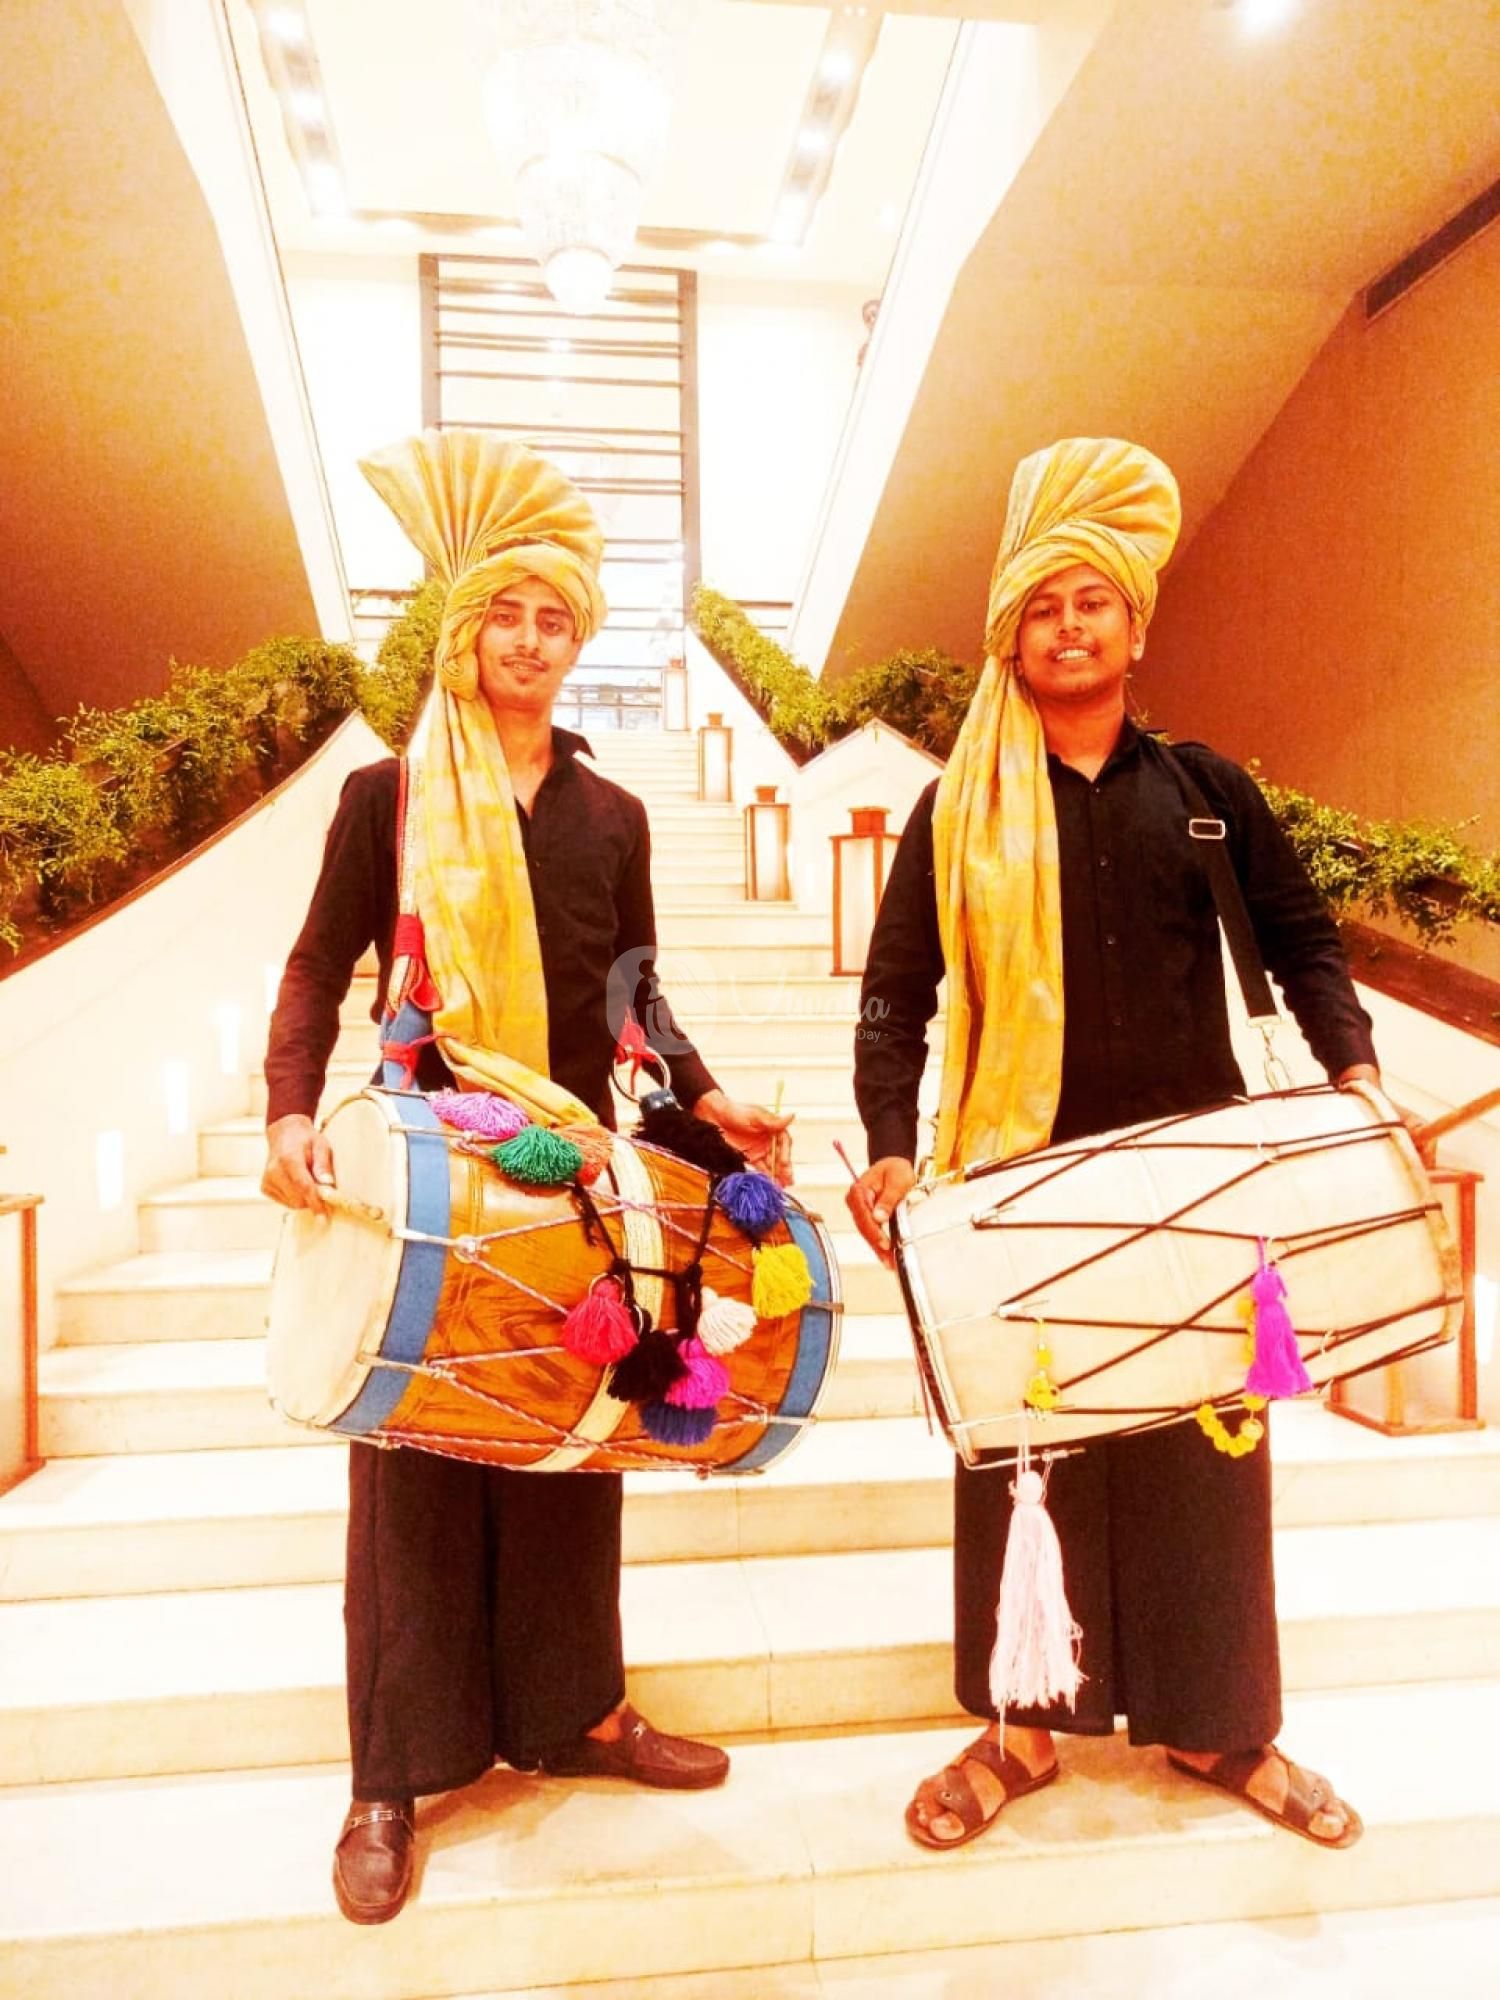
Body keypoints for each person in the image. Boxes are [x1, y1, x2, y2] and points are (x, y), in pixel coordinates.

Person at [262, 429, 793, 1925]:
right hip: (425, 1171)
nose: (531, 639)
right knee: (414, 1465)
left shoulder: (613, 816)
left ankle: (577, 1710)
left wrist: (708, 1104)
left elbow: (634, 999)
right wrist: (290, 1109)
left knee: (575, 1436)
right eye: (507, 612)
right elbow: (317, 963)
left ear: (581, 641)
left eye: (557, 618)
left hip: (569, 1174)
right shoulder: (387, 797)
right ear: (464, 626)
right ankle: (391, 1774)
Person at [847, 436, 1379, 1853]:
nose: (1070, 626)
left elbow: (1306, 942)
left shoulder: (1206, 792)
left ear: (1135, 628)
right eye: (1044, 606)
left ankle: (1218, 1722)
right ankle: (1020, 1730)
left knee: (1207, 1463)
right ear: (1009, 635)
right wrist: (891, 1141)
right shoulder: (957, 811)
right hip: (1015, 1192)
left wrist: (1354, 1068)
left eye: (1094, 603)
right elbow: (897, 990)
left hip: (1199, 1189)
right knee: (1031, 1462)